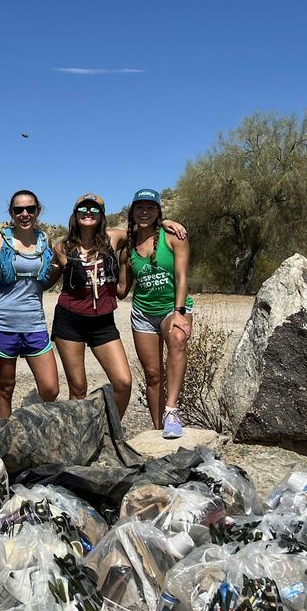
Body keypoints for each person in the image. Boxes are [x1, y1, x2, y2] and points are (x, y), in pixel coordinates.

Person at [50, 193, 186, 418]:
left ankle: (108, 430)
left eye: (94, 210)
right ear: (75, 215)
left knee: (123, 382)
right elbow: (52, 277)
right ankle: (77, 438)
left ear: (101, 216)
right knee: (78, 388)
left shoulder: (112, 238)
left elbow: (144, 227)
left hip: (103, 321)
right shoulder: (62, 247)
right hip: (70, 321)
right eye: (83, 209)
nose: (88, 213)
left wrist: (165, 222)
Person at [118, 187, 193, 438]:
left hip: (172, 307)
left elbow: (182, 276)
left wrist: (180, 311)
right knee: (152, 374)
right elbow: (121, 290)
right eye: (140, 207)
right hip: (142, 314)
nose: (145, 212)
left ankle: (171, 410)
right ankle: (158, 428)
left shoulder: (174, 237)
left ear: (158, 212)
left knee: (177, 338)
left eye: (151, 207)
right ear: (132, 212)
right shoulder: (128, 249)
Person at [0, 189, 59, 418]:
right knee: (5, 389)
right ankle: (3, 440)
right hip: (4, 324)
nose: (25, 214)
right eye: (19, 209)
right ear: (11, 212)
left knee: (50, 388)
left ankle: (31, 428)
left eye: (30, 209)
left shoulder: (44, 240)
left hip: (35, 324)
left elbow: (46, 279)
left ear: (37, 211)